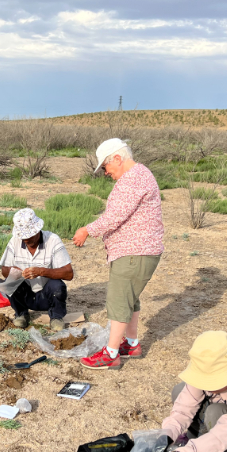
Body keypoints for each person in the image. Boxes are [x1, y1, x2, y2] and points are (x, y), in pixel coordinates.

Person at [72, 138, 164, 370]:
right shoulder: (139, 175)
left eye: (105, 166)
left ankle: (111, 354)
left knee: (119, 302)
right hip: (136, 251)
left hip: (135, 252)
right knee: (129, 300)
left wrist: (86, 230)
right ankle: (131, 344)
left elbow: (114, 217)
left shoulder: (133, 179)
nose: (105, 172)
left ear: (117, 158)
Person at [0, 208, 74, 331]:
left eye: (29, 236)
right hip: (26, 295)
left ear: (38, 229)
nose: (26, 240)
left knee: (57, 286)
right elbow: (4, 270)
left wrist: (42, 271)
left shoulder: (53, 240)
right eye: (23, 237)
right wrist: (15, 271)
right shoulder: (14, 241)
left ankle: (56, 317)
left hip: (47, 295)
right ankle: (21, 314)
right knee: (10, 281)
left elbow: (69, 273)